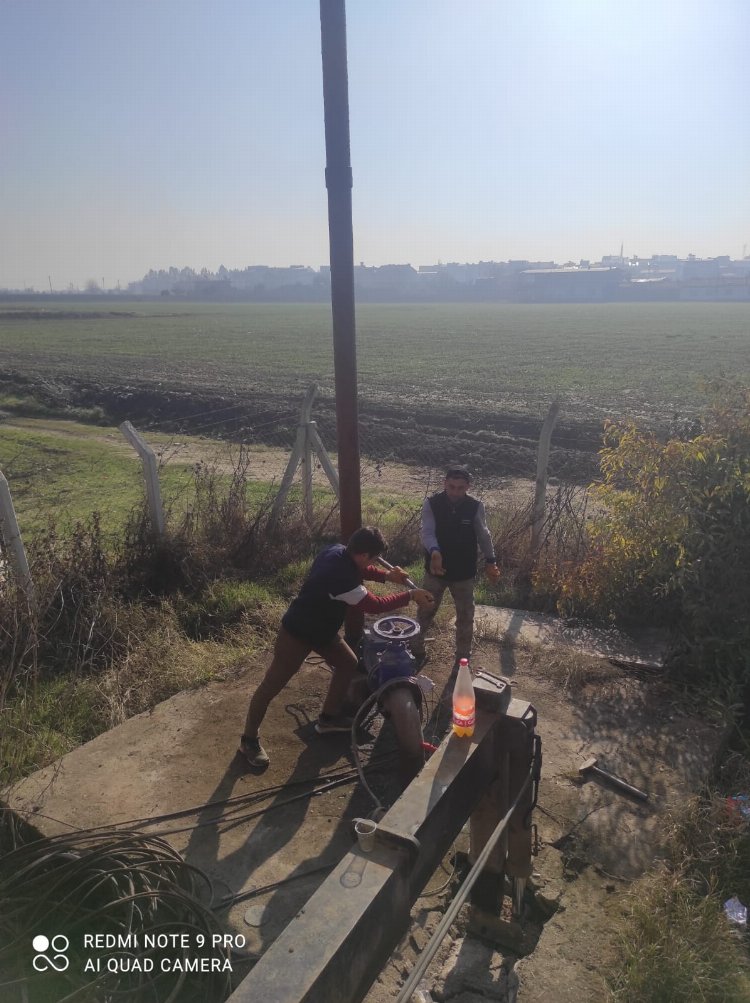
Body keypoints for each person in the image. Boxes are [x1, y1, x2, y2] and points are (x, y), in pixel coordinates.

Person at [239, 526, 434, 767]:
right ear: (363, 554)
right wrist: (411, 595)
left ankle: (328, 720)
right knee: (271, 685)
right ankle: (248, 740)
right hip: (297, 632)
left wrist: (387, 576)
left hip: (323, 631)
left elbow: (363, 569)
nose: (373, 563)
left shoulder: (337, 550)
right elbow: (375, 605)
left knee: (347, 663)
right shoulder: (341, 578)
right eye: (373, 558)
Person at [411, 466, 499, 667]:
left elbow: (484, 535)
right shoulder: (432, 504)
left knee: (465, 616)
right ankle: (415, 648)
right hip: (435, 570)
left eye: (460, 488)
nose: (455, 492)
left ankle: (462, 657)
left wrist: (491, 560)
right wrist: (435, 551)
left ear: (468, 487)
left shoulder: (475, 506)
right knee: (425, 609)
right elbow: (427, 531)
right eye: (451, 487)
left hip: (464, 572)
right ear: (445, 484)